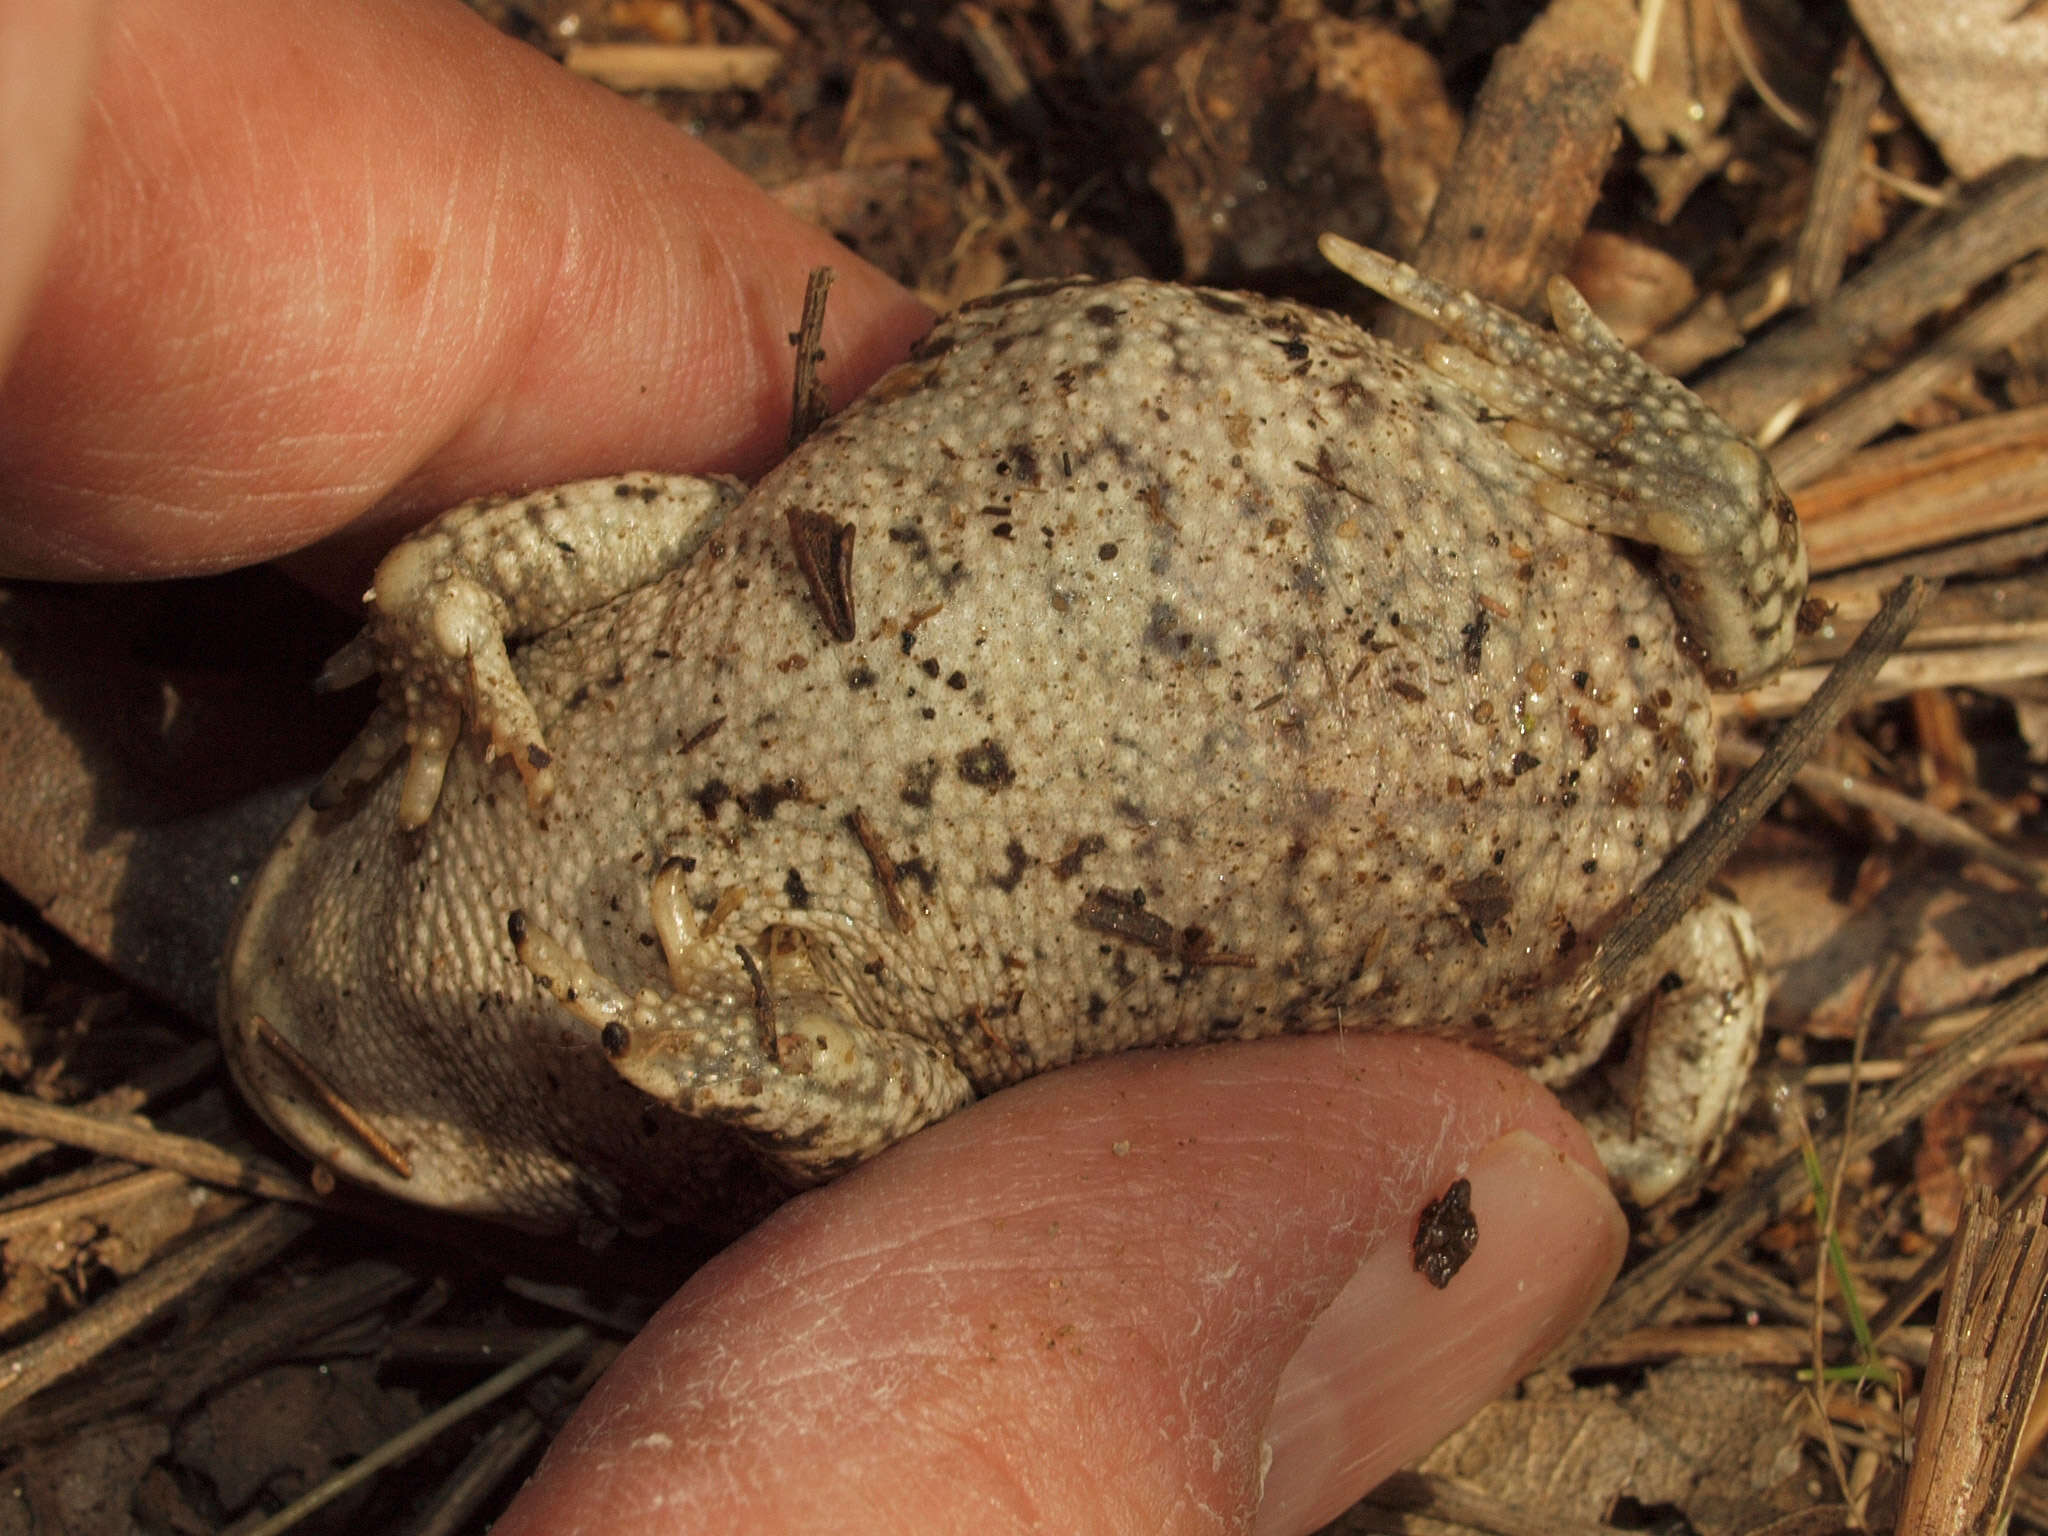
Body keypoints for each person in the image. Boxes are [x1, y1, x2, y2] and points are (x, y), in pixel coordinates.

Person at [0, 2, 1627, 1530]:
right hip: (1310, 639)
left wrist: (710, 1046)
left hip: (1336, 696)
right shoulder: (669, 672)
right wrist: (461, 672)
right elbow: (471, 585)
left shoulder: (716, 1002)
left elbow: (887, 1106)